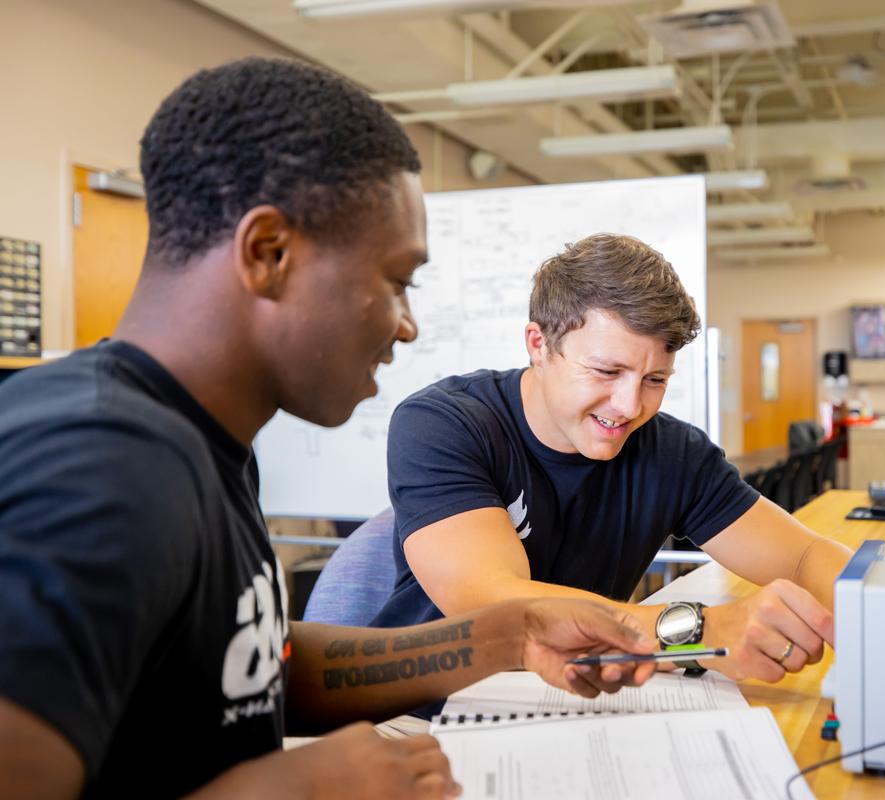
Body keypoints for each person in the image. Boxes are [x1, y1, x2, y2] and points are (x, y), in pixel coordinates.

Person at [0, 58, 658, 799]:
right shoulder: (100, 461)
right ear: (268, 254)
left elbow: (254, 666)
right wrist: (291, 791)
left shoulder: (202, 447)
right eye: (395, 281)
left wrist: (507, 634)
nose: (407, 325)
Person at [378, 233, 853, 684]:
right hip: (433, 707)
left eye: (655, 380)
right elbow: (490, 602)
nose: (629, 407)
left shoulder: (673, 453)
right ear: (539, 345)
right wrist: (695, 633)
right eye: (607, 371)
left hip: (578, 696)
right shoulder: (443, 424)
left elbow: (804, 556)